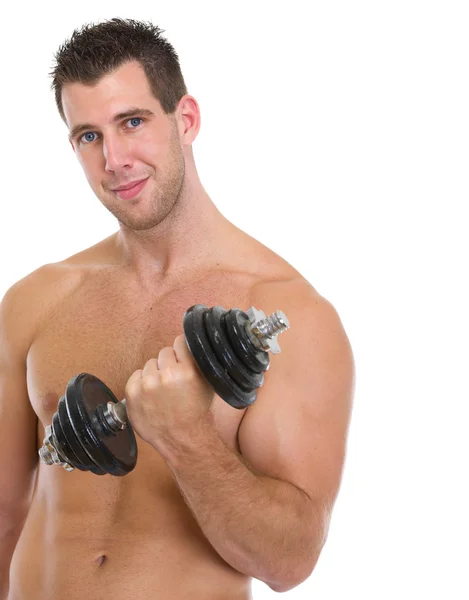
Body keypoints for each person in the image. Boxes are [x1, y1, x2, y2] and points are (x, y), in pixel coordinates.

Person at [0, 18, 355, 600]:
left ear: (185, 120)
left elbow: (289, 561)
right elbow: (4, 510)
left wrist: (187, 436)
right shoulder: (35, 300)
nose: (114, 158)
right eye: (88, 136)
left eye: (132, 122)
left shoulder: (289, 311)